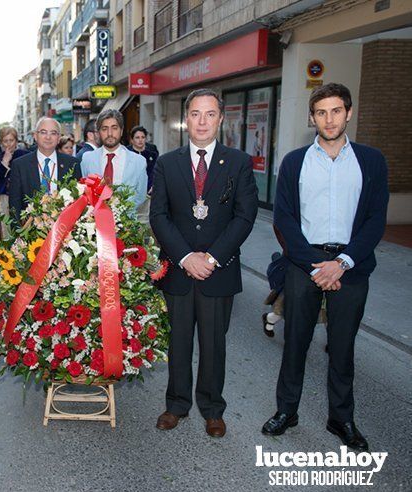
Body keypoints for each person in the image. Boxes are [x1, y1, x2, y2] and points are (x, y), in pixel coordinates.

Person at [262, 83, 389, 451]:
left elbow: (375, 220)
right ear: (312, 117)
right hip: (305, 263)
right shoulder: (295, 162)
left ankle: (341, 418)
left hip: (352, 263)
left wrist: (342, 263)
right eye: (321, 112)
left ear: (348, 113)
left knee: (342, 346)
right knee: (295, 342)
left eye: (335, 111)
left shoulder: (371, 161)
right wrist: (314, 264)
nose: (329, 119)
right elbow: (284, 218)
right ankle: (287, 411)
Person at [150, 88, 258, 438]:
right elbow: (159, 216)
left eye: (210, 114)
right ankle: (177, 404)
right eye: (195, 113)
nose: (202, 121)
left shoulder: (239, 162)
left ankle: (212, 408)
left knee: (214, 344)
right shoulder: (167, 162)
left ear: (221, 118)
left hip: (218, 272)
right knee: (178, 342)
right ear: (186, 119)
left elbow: (245, 216)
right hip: (178, 271)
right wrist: (185, 257)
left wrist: (210, 258)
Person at [8, 117, 81, 226]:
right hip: (30, 232)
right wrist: (18, 236)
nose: (48, 137)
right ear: (35, 136)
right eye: (43, 132)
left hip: (65, 232)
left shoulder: (72, 164)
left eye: (53, 133)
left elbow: (78, 201)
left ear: (58, 138)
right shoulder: (19, 165)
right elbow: (15, 205)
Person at [80, 110, 147, 212]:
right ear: (98, 132)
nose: (110, 133)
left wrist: (121, 213)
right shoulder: (87, 159)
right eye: (104, 129)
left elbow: (140, 196)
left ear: (121, 130)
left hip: (127, 224)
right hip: (93, 223)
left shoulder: (139, 162)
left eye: (114, 128)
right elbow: (84, 191)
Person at [127, 125, 159, 193]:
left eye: (143, 137)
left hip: (150, 191)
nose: (140, 140)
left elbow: (157, 172)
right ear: (132, 140)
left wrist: (154, 185)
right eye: (137, 137)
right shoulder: (126, 154)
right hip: (131, 191)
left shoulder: (153, 155)